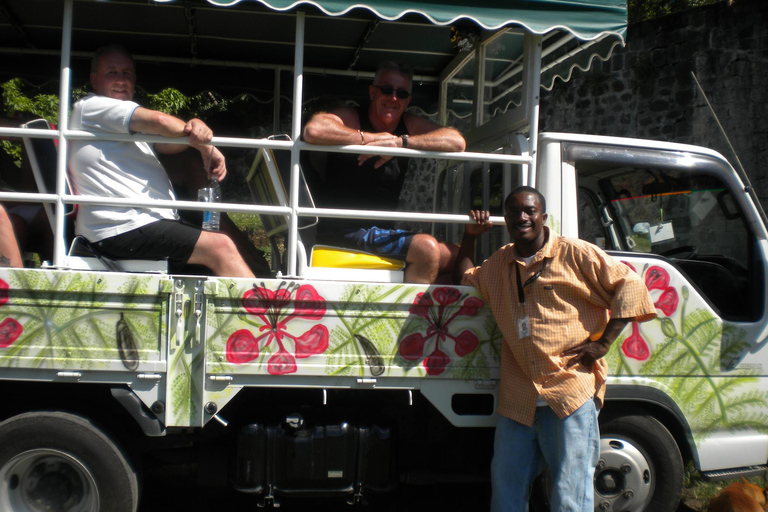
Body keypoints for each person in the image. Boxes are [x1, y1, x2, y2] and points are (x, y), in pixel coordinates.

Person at [453, 186, 657, 512]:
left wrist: (603, 342)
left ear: (543, 217)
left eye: (530, 211)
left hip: (569, 394)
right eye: (515, 211)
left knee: (570, 496)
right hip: (518, 399)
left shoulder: (575, 254)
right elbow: (465, 278)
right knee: (506, 493)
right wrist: (471, 236)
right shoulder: (499, 264)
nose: (522, 217)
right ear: (505, 219)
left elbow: (629, 284)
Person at [68, 44, 260, 278]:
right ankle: (264, 314)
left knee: (210, 258)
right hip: (120, 228)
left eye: (127, 73)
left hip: (139, 224)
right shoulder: (92, 106)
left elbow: (170, 142)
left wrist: (195, 128)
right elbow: (159, 121)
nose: (120, 79)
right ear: (94, 80)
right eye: (112, 72)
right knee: (220, 247)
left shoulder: (120, 125)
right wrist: (206, 146)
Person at [302, 61, 466, 284]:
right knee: (426, 249)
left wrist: (399, 143)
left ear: (408, 100)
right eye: (387, 90)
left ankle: (425, 309)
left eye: (402, 93)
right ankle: (410, 318)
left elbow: (457, 142)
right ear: (372, 92)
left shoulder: (407, 127)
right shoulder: (351, 117)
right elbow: (314, 130)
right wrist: (371, 139)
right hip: (344, 231)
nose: (393, 98)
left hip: (381, 232)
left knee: (459, 257)